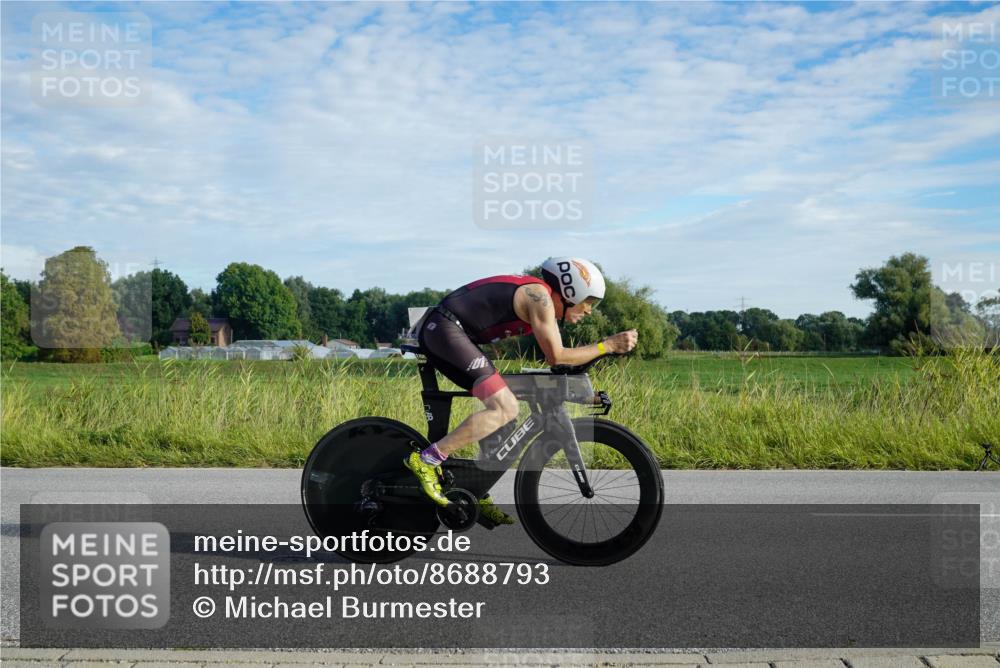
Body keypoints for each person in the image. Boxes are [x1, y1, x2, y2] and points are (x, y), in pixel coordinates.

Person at [404, 257, 639, 525]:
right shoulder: (540, 297)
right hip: (445, 330)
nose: (589, 311)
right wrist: (606, 346)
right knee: (505, 407)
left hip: (456, 335)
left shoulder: (542, 300)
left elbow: (558, 369)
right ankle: (427, 460)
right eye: (590, 302)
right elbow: (558, 357)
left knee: (507, 414)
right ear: (571, 291)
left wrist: (586, 395)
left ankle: (474, 488)